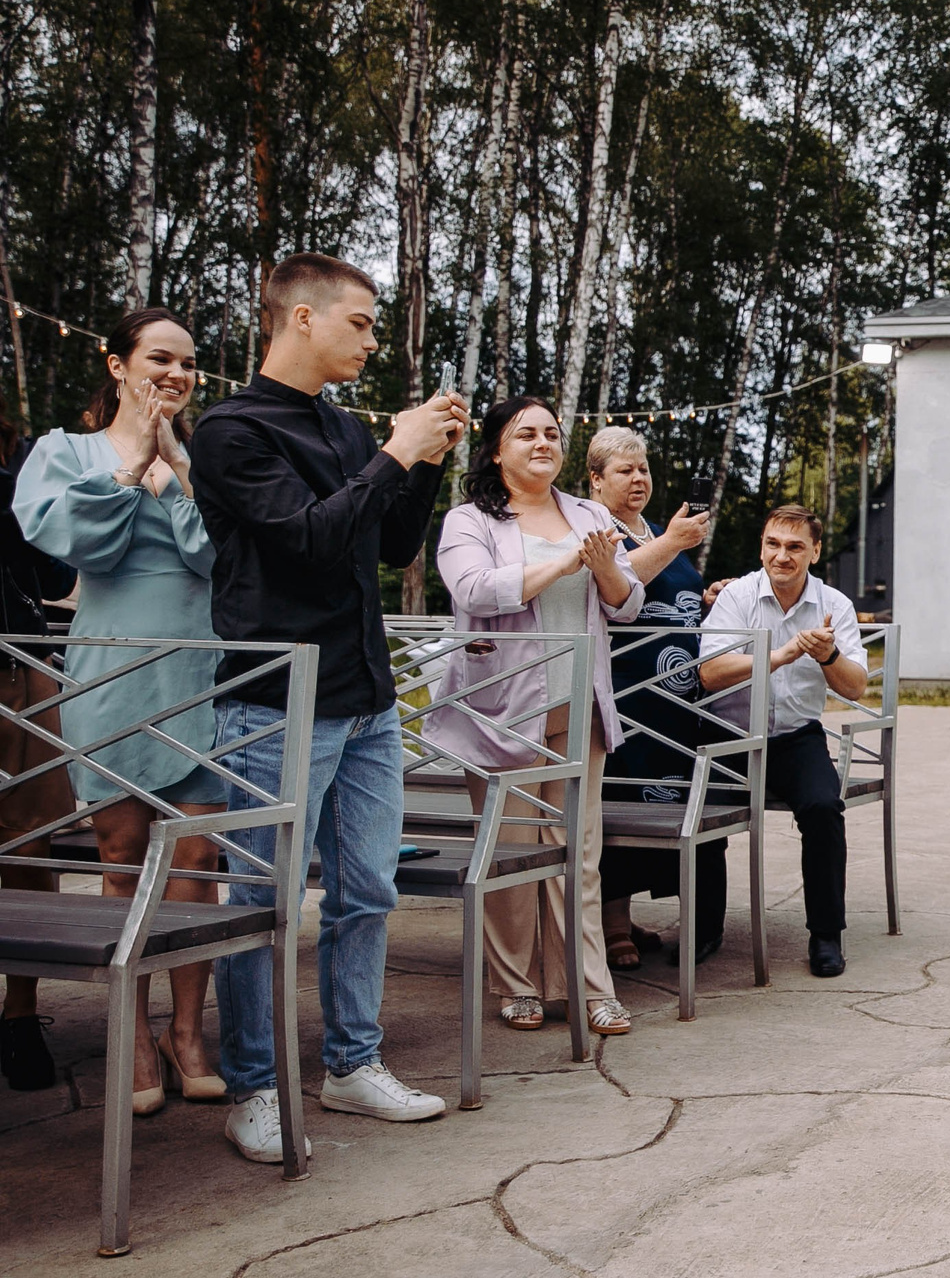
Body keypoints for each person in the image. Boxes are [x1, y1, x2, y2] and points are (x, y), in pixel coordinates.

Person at [191, 252, 467, 1163]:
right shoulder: (231, 431)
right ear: (300, 318)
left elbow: (387, 543)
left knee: (367, 890)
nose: (372, 337)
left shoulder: (346, 430)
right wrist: (396, 449)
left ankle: (352, 1064)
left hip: (367, 698)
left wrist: (425, 463)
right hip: (276, 703)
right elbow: (308, 543)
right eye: (360, 321)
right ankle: (255, 1086)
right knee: (261, 901)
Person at [14, 309, 228, 1112]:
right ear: (116, 364)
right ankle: (132, 1033)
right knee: (122, 855)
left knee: (199, 859)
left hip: (198, 667)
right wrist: (133, 462)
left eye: (189, 363)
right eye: (160, 359)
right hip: (112, 669)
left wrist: (174, 480)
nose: (176, 374)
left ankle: (188, 1032)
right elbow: (80, 545)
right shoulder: (62, 454)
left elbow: (216, 559)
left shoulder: (202, 461)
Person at [431, 396, 644, 1036]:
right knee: (512, 855)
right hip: (503, 711)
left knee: (578, 855)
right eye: (526, 434)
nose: (543, 442)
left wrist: (607, 570)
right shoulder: (468, 521)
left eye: (552, 432)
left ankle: (589, 986)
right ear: (497, 449)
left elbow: (628, 603)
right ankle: (516, 983)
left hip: (578, 705)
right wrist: (563, 562)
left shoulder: (590, 512)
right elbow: (475, 592)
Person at [699, 503, 869, 977]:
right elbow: (710, 673)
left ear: (814, 551)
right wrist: (781, 654)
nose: (782, 556)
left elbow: (855, 686)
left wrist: (829, 654)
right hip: (730, 735)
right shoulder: (736, 597)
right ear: (762, 547)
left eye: (795, 546)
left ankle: (826, 935)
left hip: (796, 736)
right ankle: (704, 928)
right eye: (773, 544)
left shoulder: (835, 604)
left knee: (822, 808)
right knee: (702, 813)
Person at [581, 424, 713, 969]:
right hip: (626, 693)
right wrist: (675, 543)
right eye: (623, 471)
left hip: (673, 702)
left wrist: (707, 596)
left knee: (656, 805)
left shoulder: (655, 528)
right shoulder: (594, 528)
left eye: (643, 469)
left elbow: (670, 587)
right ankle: (610, 924)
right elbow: (615, 578)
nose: (638, 479)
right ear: (595, 480)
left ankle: (625, 912)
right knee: (619, 805)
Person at [0, 407, 76, 1093]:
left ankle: (19, 1014)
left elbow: (54, 578)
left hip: (16, 667)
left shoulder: (19, 477)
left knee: (30, 840)